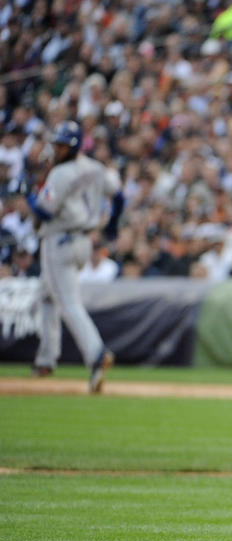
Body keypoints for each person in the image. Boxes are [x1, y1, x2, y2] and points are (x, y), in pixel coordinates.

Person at [26, 121, 123, 393]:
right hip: (83, 241)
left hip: (60, 241)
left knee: (68, 303)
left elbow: (45, 211)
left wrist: (28, 196)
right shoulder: (95, 167)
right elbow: (119, 196)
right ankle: (46, 359)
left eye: (62, 145)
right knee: (47, 296)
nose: (58, 149)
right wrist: (113, 224)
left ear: (74, 145)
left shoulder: (59, 173)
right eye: (56, 144)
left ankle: (96, 354)